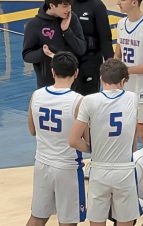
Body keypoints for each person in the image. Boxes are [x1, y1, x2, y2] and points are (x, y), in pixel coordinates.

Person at [69, 58, 140, 226]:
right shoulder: (133, 98)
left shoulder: (89, 101)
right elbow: (133, 135)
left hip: (99, 169)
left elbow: (73, 140)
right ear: (123, 81)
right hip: (125, 170)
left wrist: (92, 149)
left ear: (101, 79)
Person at [26, 51, 86, 226]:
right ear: (76, 73)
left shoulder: (36, 95)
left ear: (52, 72)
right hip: (67, 167)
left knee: (38, 217)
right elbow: (86, 140)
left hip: (42, 163)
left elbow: (32, 130)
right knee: (68, 221)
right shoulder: (79, 101)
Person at [115, 0, 143, 147]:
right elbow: (118, 54)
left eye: (122, 0)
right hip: (124, 88)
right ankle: (131, 167)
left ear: (134, 2)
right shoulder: (121, 24)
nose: (118, 2)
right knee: (128, 133)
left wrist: (127, 71)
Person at [22, 0, 86, 89]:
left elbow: (81, 49)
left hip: (72, 84)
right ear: (52, 5)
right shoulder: (34, 25)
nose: (69, 9)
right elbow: (27, 55)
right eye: (65, 6)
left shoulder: (71, 18)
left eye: (70, 5)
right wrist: (42, 53)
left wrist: (66, 31)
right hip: (47, 86)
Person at [72, 0, 114, 95]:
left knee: (88, 99)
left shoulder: (97, 6)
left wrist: (111, 65)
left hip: (90, 61)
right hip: (69, 60)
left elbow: (105, 38)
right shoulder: (65, 4)